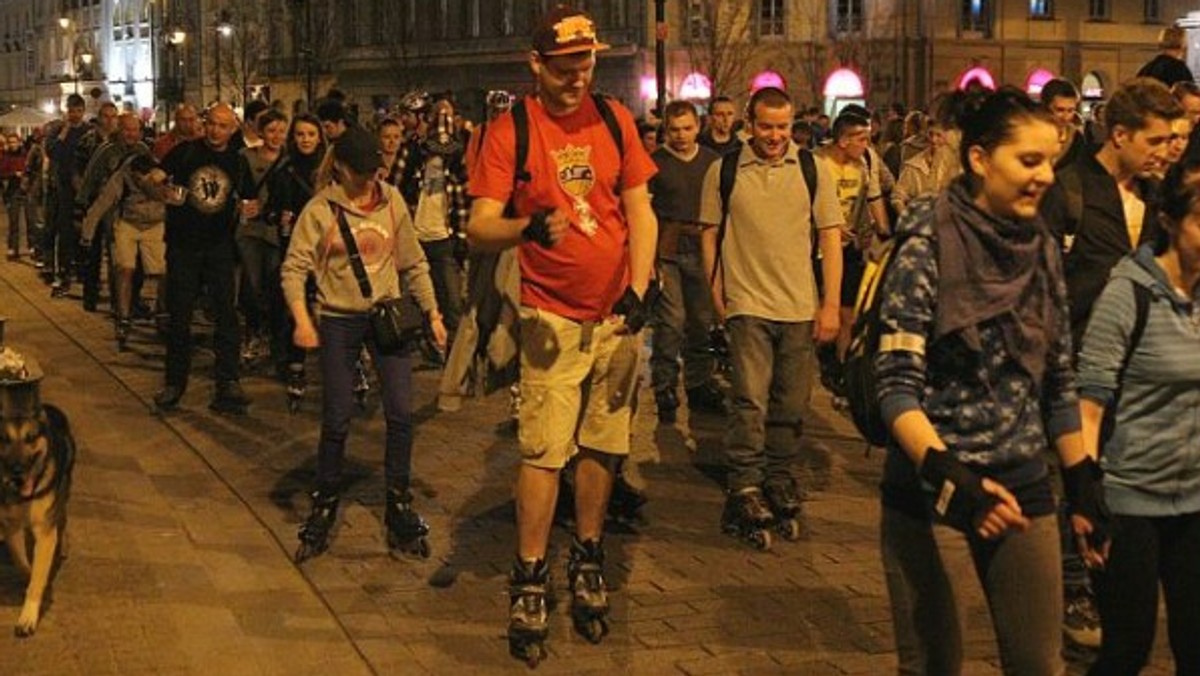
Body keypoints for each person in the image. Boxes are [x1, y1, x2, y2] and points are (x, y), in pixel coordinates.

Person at [875, 87, 1105, 675]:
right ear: (979, 159)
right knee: (935, 664)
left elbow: (1056, 375)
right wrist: (950, 473)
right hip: (934, 492)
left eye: (1051, 160)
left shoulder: (1041, 246)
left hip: (1022, 480)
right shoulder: (927, 240)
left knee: (1038, 664)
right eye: (1029, 161)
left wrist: (1081, 478)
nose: (1045, 176)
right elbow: (896, 384)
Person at [465, 5, 657, 664]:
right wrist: (526, 228)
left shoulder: (614, 119)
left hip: (615, 316)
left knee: (603, 445)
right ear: (537, 64)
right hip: (549, 316)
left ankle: (590, 552)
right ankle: (529, 573)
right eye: (566, 65)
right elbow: (479, 226)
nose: (579, 76)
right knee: (545, 450)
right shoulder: (510, 130)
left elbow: (638, 206)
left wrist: (642, 283)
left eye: (587, 63)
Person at [284, 126, 447, 562]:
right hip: (339, 319)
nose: (369, 181)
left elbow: (413, 262)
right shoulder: (320, 210)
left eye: (374, 171)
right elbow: (294, 268)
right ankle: (325, 500)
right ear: (340, 167)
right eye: (361, 173)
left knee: (400, 412)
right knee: (337, 417)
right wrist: (302, 319)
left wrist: (433, 313)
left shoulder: (391, 199)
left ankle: (398, 501)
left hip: (386, 317)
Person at [698, 86, 843, 549]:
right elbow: (709, 234)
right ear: (749, 123)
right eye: (766, 127)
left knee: (792, 402)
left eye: (782, 127)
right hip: (748, 304)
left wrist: (831, 303)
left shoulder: (811, 169)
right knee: (749, 400)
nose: (775, 136)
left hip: (799, 306)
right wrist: (717, 289)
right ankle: (744, 482)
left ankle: (779, 475)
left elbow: (831, 240)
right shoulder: (723, 171)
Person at [1076, 156, 1200, 676]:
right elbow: (1088, 405)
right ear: (1170, 221)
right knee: (1128, 648)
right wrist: (1084, 497)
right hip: (1129, 501)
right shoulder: (1128, 293)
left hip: (1194, 498)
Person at [153, 103, 254, 414]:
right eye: (211, 123)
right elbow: (153, 176)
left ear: (232, 129)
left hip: (219, 246)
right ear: (204, 123)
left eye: (222, 126)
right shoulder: (185, 153)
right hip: (183, 245)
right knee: (180, 316)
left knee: (226, 314)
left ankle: (228, 382)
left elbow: (250, 199)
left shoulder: (237, 162)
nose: (215, 131)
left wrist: (249, 210)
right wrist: (160, 191)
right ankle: (174, 383)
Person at [649, 100, 724, 423]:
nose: (681, 135)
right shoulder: (654, 164)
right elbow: (646, 213)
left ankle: (698, 383)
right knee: (671, 321)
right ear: (666, 129)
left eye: (687, 128)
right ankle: (664, 387)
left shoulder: (713, 162)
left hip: (704, 249)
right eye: (674, 129)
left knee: (701, 322)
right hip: (669, 250)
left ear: (698, 127)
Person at [264, 113, 325, 400]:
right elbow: (272, 206)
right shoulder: (285, 168)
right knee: (295, 305)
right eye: (300, 134)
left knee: (328, 304)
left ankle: (348, 362)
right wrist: (279, 216)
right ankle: (295, 363)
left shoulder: (330, 167)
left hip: (326, 245)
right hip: (295, 244)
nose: (305, 140)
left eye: (311, 134)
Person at [80, 153, 168, 349]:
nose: (141, 182)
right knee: (125, 269)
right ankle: (123, 318)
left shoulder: (161, 176)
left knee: (163, 271)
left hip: (155, 224)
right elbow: (102, 203)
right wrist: (88, 233)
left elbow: (176, 199)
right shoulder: (121, 177)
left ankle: (162, 313)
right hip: (128, 223)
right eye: (138, 178)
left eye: (145, 178)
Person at [236, 108, 289, 367]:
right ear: (261, 132)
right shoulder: (245, 157)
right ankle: (253, 332)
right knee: (252, 284)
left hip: (277, 232)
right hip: (251, 230)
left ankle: (272, 335)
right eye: (271, 130)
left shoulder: (289, 161)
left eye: (281, 130)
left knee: (274, 285)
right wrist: (240, 206)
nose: (277, 136)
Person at [44, 94, 89, 297]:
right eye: (72, 111)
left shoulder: (89, 131)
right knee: (64, 231)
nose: (75, 115)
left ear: (83, 111)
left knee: (83, 230)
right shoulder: (57, 130)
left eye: (79, 111)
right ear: (67, 111)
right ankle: (63, 273)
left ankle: (82, 270)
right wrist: (64, 132)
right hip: (63, 188)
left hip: (84, 188)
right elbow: (53, 153)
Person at [890, 119, 950, 216]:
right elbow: (897, 197)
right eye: (931, 134)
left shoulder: (957, 165)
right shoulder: (914, 164)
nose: (933, 140)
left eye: (939, 135)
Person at [1041, 78, 1089, 169]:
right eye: (1060, 110)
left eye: (1070, 110)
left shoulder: (1077, 138)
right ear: (1045, 107)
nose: (1065, 116)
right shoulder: (1032, 134)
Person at [2, 133, 30, 259]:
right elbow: (2, 172)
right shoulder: (5, 157)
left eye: (14, 142)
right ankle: (13, 247)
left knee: (31, 220)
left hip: (26, 190)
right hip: (12, 191)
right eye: (10, 142)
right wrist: (13, 174)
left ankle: (32, 246)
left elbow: (30, 168)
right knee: (14, 221)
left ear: (19, 142)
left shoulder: (25, 155)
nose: (13, 144)